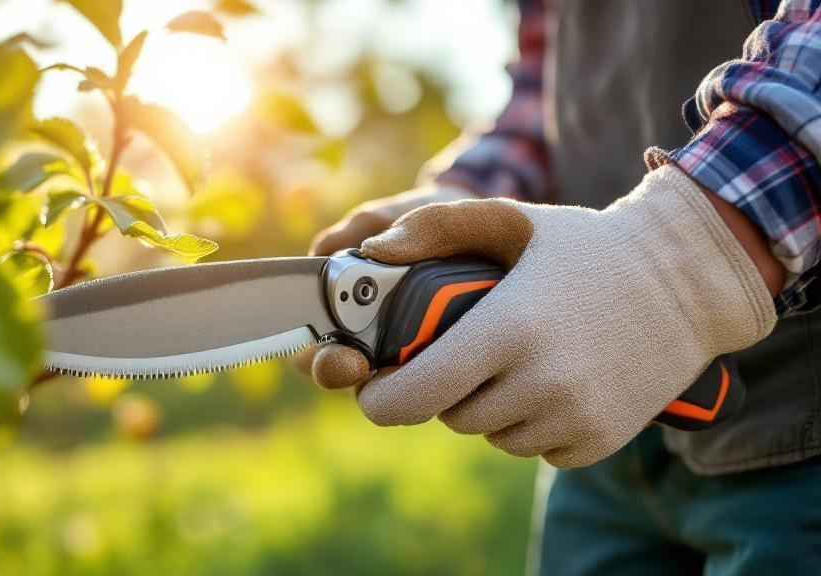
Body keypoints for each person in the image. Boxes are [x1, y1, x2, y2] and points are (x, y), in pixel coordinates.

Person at [298, 1, 821, 573]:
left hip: (796, 423)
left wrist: (685, 257)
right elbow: (546, 96)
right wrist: (460, 202)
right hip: (594, 399)